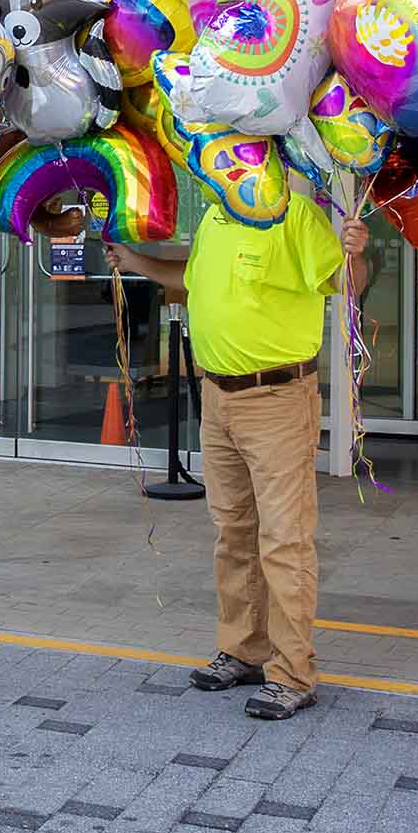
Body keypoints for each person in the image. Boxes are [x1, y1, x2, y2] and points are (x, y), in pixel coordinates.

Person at [105, 191, 366, 721]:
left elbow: (347, 285)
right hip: (218, 397)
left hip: (277, 397)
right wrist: (136, 262)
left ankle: (293, 672)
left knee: (284, 538)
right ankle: (244, 649)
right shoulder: (218, 214)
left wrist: (356, 254)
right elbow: (191, 283)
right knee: (234, 531)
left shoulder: (295, 212)